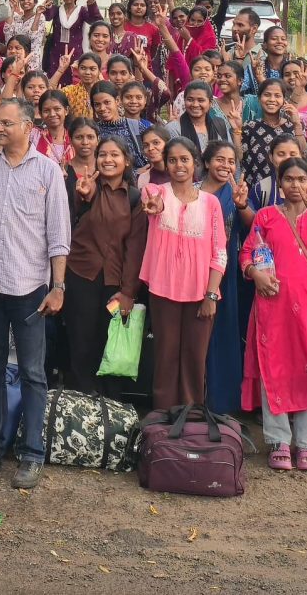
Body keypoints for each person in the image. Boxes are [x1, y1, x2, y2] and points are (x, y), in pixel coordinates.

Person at [0, 98, 69, 491]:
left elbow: (59, 236)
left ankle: (32, 454)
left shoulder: (48, 171)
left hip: (30, 289)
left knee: (32, 373)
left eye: (6, 123)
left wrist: (58, 287)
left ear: (27, 126)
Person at [243, 157, 307, 471]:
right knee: (274, 366)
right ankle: (278, 441)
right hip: (271, 304)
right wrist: (255, 274)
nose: (296, 185)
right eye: (289, 179)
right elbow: (247, 252)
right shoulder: (266, 216)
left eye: (302, 179)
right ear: (280, 183)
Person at [131, 138, 228, 411]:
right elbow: (152, 202)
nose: (178, 165)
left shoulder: (210, 203)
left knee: (195, 359)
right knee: (165, 356)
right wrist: (156, 206)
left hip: (201, 294)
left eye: (184, 159)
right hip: (163, 291)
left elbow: (219, 251)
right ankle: (163, 418)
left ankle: (191, 418)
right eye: (172, 160)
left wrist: (211, 295)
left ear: (195, 163)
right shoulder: (156, 192)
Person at [62, 140, 145, 397]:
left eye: (114, 155)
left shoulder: (134, 198)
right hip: (81, 277)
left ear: (126, 161)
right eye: (103, 155)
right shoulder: (87, 187)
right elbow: (77, 205)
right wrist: (82, 193)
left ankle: (109, 406)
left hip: (114, 284)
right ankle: (80, 400)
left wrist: (128, 292)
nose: (108, 159)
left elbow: (135, 248)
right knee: (80, 339)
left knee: (109, 339)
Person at [196, 141, 253, 413]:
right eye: (220, 159)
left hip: (225, 271)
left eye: (231, 161)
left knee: (223, 333)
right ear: (207, 162)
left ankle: (221, 404)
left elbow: (253, 224)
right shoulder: (192, 190)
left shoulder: (236, 192)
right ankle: (193, 399)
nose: (226, 166)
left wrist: (242, 206)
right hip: (193, 268)